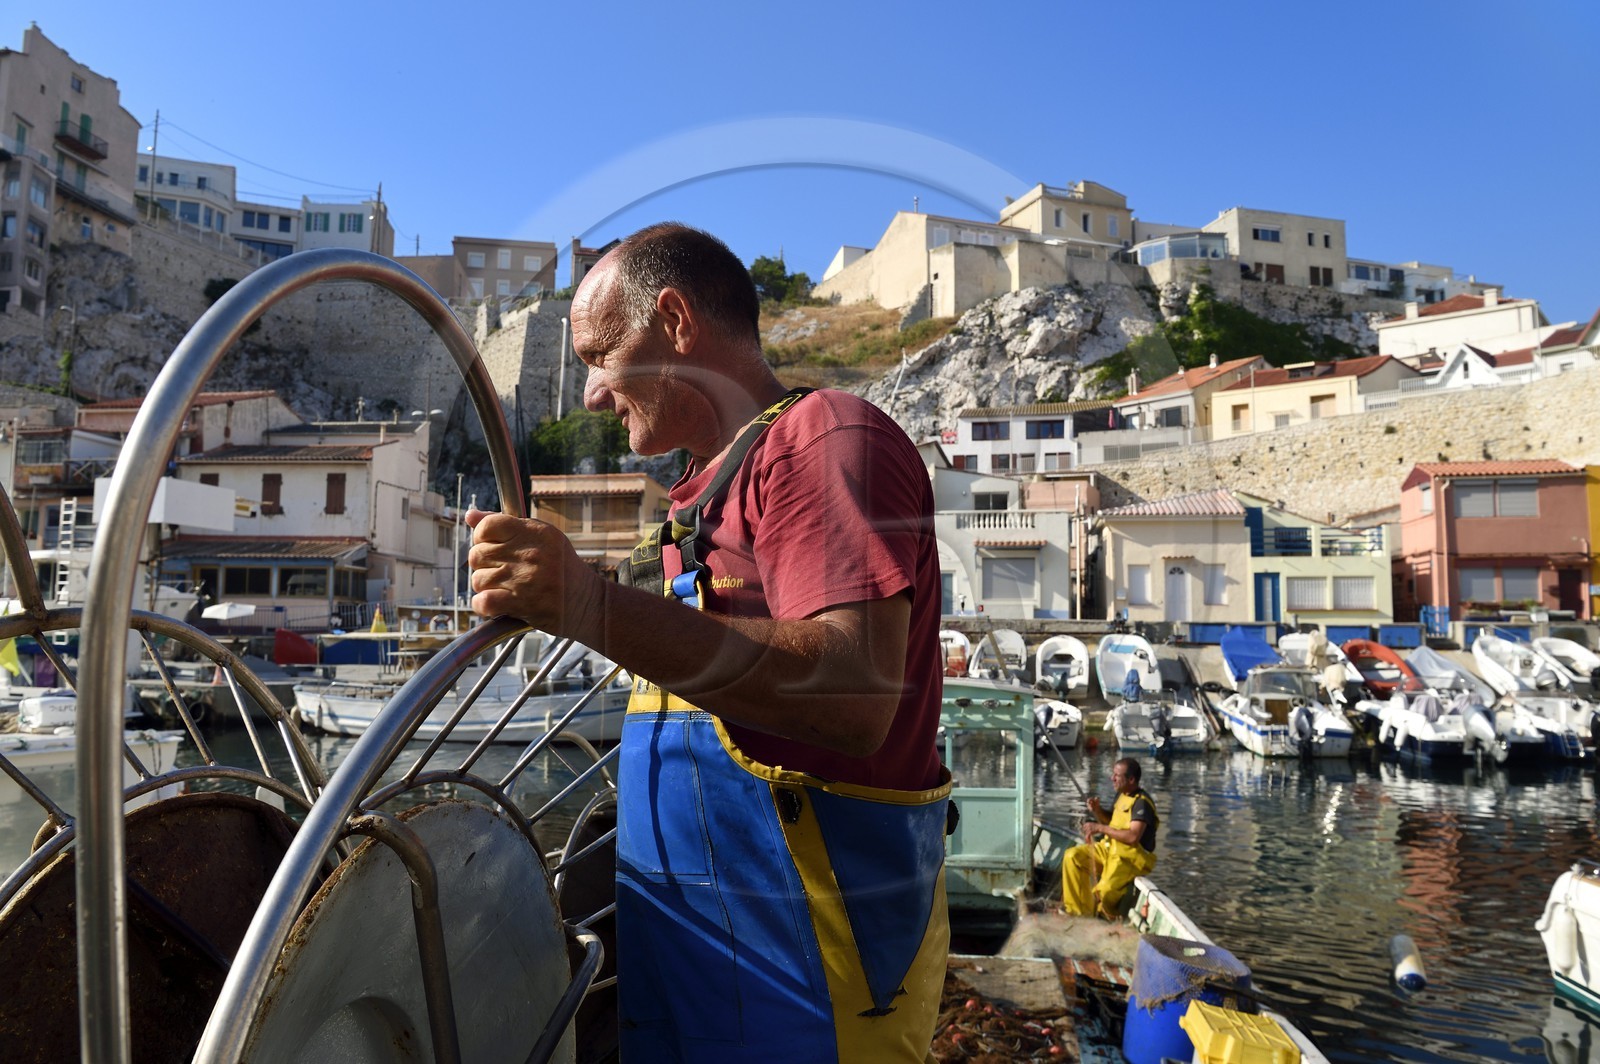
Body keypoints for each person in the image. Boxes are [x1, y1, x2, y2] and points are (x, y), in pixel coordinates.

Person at [466, 222, 949, 1062]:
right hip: (715, 965)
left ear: (677, 324)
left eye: (598, 353)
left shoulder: (823, 440)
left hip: (816, 982)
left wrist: (590, 607)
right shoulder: (698, 500)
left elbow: (856, 694)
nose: (587, 394)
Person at [1060, 757, 1158, 919]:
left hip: (1131, 859)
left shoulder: (1142, 803)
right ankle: (1077, 913)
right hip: (1110, 849)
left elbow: (1133, 836)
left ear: (1131, 779)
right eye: (1113, 774)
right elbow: (1112, 823)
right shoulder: (1121, 795)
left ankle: (1109, 916)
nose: (1112, 778)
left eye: (1117, 775)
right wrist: (1098, 811)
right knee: (1072, 857)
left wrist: (1099, 828)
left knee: (1105, 890)